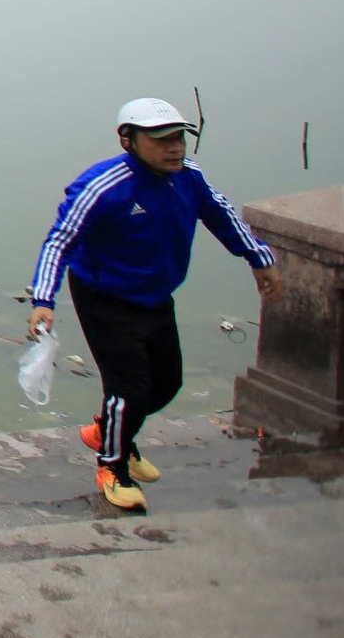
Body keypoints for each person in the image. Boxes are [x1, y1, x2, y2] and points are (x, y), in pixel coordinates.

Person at [27, 97, 283, 512]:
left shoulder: (189, 178)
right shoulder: (103, 186)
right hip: (103, 296)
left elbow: (222, 214)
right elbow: (60, 238)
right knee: (130, 389)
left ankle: (106, 430)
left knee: (166, 383)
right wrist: (43, 299)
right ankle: (112, 464)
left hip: (155, 294)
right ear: (128, 140)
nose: (175, 148)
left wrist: (259, 258)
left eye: (179, 138)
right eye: (161, 140)